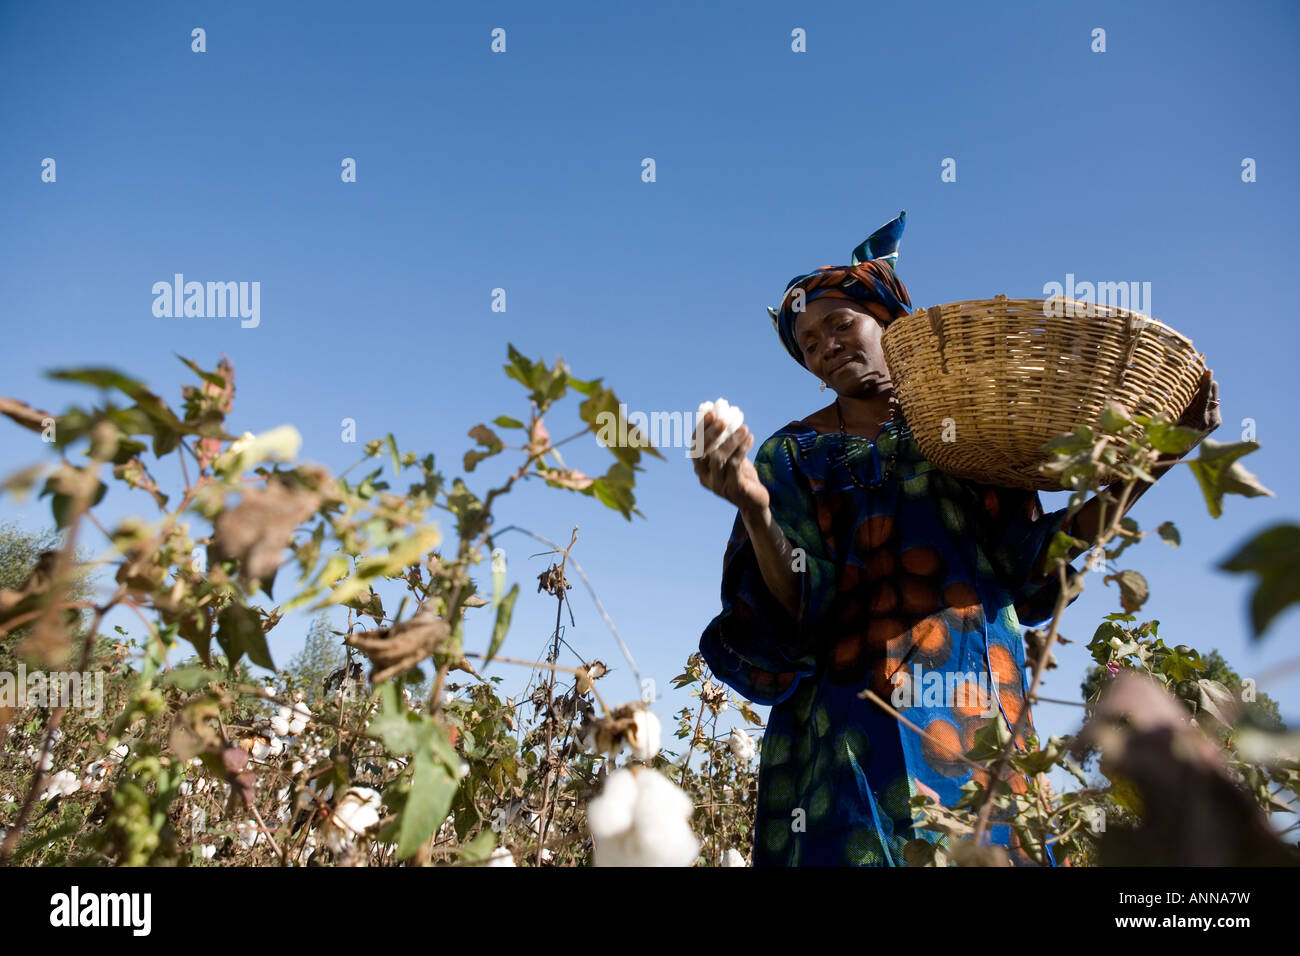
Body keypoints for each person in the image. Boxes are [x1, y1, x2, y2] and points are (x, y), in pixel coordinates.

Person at [693, 211, 1221, 867]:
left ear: (889, 322)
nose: (824, 344)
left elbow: (1032, 564)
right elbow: (788, 606)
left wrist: (1157, 459)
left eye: (839, 324)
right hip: (841, 731)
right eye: (807, 340)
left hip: (972, 711)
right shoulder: (789, 457)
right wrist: (754, 509)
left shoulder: (961, 431)